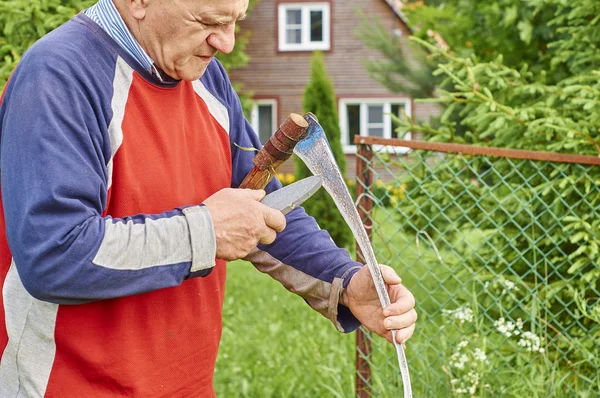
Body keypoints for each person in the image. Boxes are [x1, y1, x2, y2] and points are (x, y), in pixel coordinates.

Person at [0, 0, 417, 396]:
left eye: (235, 19)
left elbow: (262, 209)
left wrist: (346, 282)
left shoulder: (205, 77)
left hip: (186, 384)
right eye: (207, 21)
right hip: (70, 388)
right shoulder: (58, 76)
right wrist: (205, 231)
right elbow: (53, 255)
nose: (227, 42)